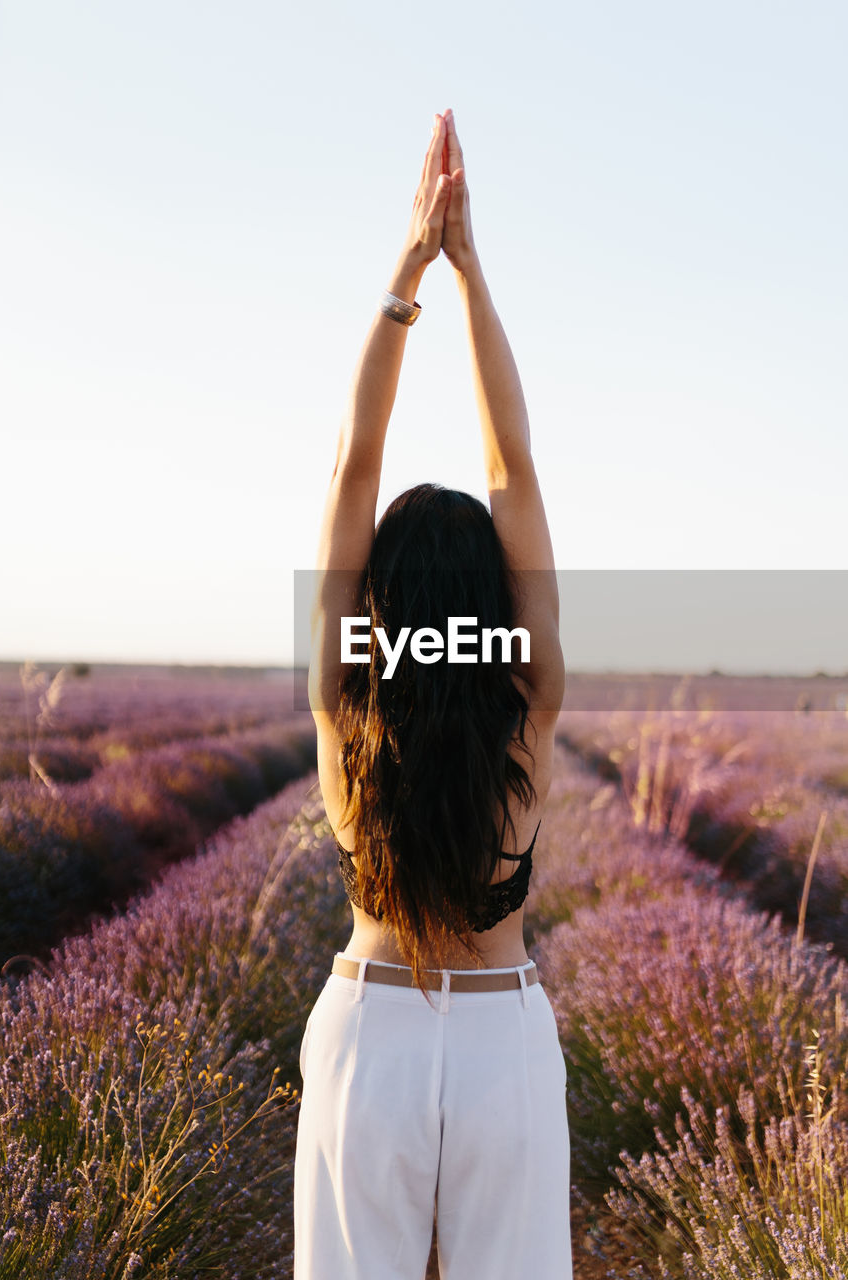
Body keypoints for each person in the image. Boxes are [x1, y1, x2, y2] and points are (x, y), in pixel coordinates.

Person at [294, 109, 572, 1280]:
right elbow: (512, 465)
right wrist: (474, 278)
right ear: (492, 601)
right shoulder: (527, 689)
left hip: (372, 1029)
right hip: (502, 1033)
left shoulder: (346, 692)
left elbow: (356, 462)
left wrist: (407, 273)